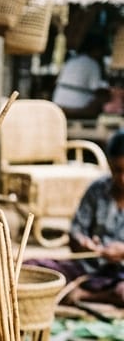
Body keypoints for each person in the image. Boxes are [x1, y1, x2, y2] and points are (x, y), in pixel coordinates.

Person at [32, 129, 124, 308]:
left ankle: (86, 295)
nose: (122, 178)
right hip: (90, 269)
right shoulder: (98, 189)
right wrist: (83, 243)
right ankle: (94, 291)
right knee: (34, 269)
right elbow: (75, 233)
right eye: (117, 170)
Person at [51, 33, 110, 120]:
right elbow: (96, 88)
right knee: (102, 97)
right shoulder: (92, 64)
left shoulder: (72, 60)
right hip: (77, 107)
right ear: (96, 49)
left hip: (58, 102)